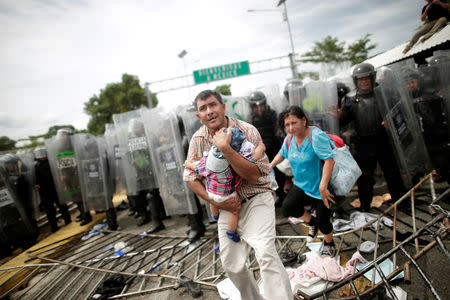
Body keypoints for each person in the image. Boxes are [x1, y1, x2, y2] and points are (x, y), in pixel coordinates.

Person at [183, 90, 292, 299]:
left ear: (223, 107)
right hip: (225, 205)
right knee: (232, 264)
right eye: (203, 108)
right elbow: (190, 177)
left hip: (256, 197)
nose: (209, 111)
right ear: (198, 116)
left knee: (265, 251)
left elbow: (253, 175)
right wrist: (216, 201)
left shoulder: (246, 130)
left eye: (213, 105)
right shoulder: (197, 139)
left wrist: (227, 150)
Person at [336, 63, 407, 212]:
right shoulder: (350, 99)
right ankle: (365, 206)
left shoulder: (383, 93)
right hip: (363, 143)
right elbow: (343, 122)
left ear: (372, 78)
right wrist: (338, 117)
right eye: (360, 79)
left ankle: (402, 203)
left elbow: (399, 111)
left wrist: (391, 121)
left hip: (383, 139)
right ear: (356, 81)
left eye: (367, 78)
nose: (364, 82)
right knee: (365, 178)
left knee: (392, 172)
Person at [270, 106, 337, 257]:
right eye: (287, 125)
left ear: (304, 120)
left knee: (324, 221)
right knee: (287, 208)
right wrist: (269, 165)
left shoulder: (316, 136)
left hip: (321, 186)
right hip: (301, 185)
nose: (290, 128)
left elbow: (329, 161)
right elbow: (281, 154)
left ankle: (329, 243)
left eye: (294, 123)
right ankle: (311, 223)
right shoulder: (289, 139)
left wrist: (323, 186)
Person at [184, 128, 265, 243]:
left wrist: (187, 163)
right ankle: (231, 232)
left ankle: (215, 215)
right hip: (226, 194)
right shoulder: (232, 161)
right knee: (235, 211)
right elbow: (253, 158)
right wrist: (261, 148)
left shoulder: (208, 158)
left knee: (213, 201)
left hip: (210, 191)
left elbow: (196, 166)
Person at [248, 90, 286, 207]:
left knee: (280, 173)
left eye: (261, 105)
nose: (259, 109)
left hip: (274, 148)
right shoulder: (250, 119)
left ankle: (282, 196)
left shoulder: (273, 114)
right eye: (255, 106)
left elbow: (278, 130)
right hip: (261, 151)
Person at [33, 147, 72, 232]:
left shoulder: (52, 163)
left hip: (55, 188)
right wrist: (36, 185)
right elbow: (34, 179)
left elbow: (60, 171)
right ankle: (54, 226)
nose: (42, 157)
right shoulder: (35, 166)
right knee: (50, 210)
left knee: (62, 205)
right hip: (44, 191)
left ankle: (68, 220)